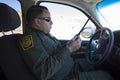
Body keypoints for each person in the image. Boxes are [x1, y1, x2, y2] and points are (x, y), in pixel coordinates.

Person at [18, 5, 113, 80]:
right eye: (48, 19)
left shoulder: (43, 34)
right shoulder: (29, 40)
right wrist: (69, 49)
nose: (51, 22)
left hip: (71, 67)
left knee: (96, 62)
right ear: (37, 21)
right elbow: (43, 72)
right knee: (106, 76)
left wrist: (69, 44)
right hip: (66, 77)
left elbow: (55, 51)